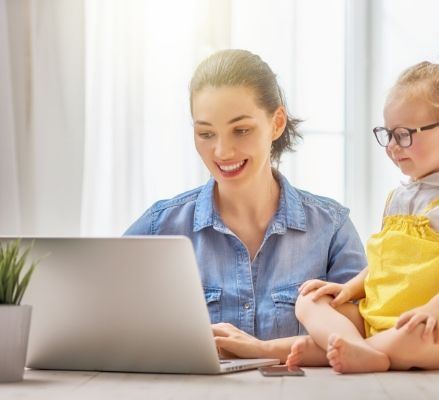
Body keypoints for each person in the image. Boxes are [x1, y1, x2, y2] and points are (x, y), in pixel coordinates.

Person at [125, 49, 366, 363]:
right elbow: (105, 320)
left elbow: (362, 335)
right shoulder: (160, 226)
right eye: (206, 133)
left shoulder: (331, 228)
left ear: (276, 123)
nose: (222, 151)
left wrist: (261, 350)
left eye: (241, 130)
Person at [286, 41, 439, 373]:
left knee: (412, 339)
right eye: (388, 134)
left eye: (404, 135)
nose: (393, 147)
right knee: (310, 300)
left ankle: (343, 349)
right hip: (380, 315)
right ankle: (358, 348)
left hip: (435, 328)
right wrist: (349, 287)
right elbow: (386, 263)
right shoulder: (397, 197)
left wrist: (436, 309)